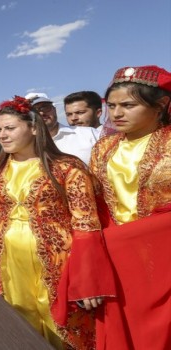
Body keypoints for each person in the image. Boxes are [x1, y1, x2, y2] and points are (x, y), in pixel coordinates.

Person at [0, 96, 114, 349]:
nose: (2, 135)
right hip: (8, 259)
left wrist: (87, 277)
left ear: (34, 128)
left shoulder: (67, 167)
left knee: (60, 324)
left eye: (10, 128)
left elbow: (86, 224)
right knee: (16, 317)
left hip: (58, 261)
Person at [89, 65, 171, 350]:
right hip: (115, 256)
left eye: (128, 105)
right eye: (111, 106)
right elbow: (97, 203)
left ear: (160, 105)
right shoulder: (104, 147)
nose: (116, 113)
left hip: (163, 256)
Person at [26, 92, 98, 164]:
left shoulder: (90, 134)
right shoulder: (25, 147)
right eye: (34, 111)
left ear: (54, 109)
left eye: (45, 107)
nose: (41, 113)